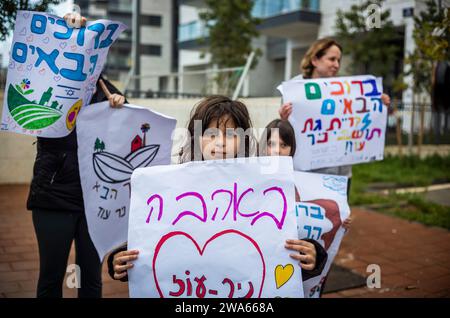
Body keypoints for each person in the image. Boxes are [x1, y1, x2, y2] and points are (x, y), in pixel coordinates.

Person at [108, 96, 327, 285]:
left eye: (231, 135)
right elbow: (153, 239)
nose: (221, 143)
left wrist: (314, 256)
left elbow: (279, 241)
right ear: (196, 138)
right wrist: (120, 260)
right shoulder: (172, 186)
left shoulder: (262, 186)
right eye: (211, 134)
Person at [26, 13, 126, 298]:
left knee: (90, 278)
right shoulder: (48, 81)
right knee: (52, 277)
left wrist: (121, 104)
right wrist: (66, 23)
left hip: (94, 200)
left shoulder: (105, 89)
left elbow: (128, 128)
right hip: (53, 197)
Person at [279, 38, 391, 198]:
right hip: (305, 173)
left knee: (337, 219)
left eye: (339, 60)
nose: (337, 65)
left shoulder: (348, 89)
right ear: (315, 60)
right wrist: (284, 119)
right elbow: (285, 133)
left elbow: (361, 118)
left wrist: (379, 104)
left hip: (341, 174)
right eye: (332, 59)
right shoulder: (294, 90)